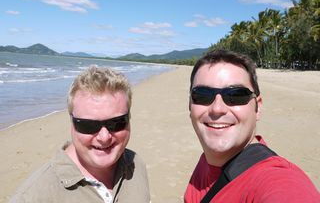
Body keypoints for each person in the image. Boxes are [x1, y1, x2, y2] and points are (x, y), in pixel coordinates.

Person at [184, 50, 320, 202]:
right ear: (190, 106)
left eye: (236, 95)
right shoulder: (207, 161)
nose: (217, 109)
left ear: (258, 107)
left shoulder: (278, 180)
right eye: (202, 95)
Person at [10, 66, 150, 203]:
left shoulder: (136, 164)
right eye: (88, 125)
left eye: (117, 122)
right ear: (72, 123)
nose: (104, 137)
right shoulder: (33, 196)